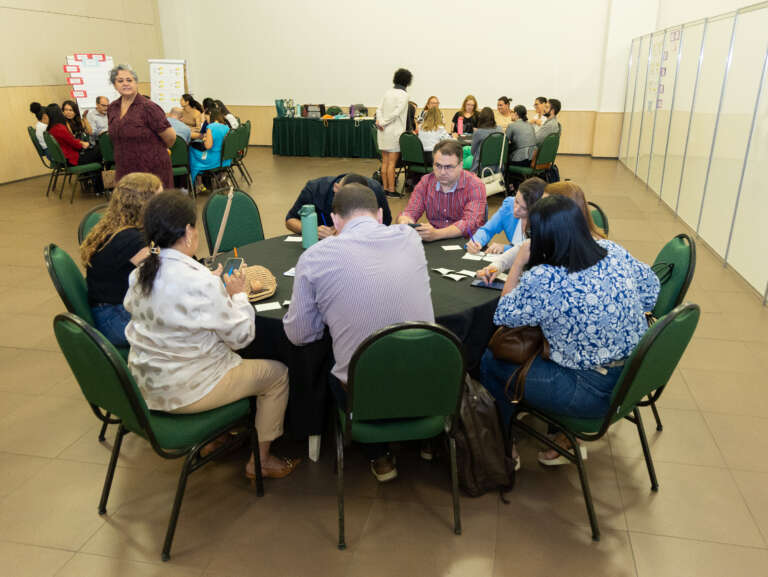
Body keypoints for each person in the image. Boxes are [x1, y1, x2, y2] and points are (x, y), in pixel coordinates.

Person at [124, 191, 298, 479]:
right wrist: (238, 296)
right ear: (189, 232)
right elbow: (242, 337)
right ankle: (261, 460)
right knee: (277, 374)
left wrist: (216, 289)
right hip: (186, 389)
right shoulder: (199, 282)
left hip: (145, 383)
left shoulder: (141, 273)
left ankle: (219, 437)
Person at [480, 195, 660, 466]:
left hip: (592, 392)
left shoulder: (547, 278)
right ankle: (561, 437)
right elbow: (651, 292)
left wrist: (518, 263)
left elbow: (503, 316)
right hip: (632, 379)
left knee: (492, 362)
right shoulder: (613, 250)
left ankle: (503, 449)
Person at [283, 183, 434, 481]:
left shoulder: (314, 258)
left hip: (364, 393)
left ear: (334, 220)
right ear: (379, 215)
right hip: (428, 382)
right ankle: (426, 440)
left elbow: (299, 336)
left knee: (334, 359)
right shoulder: (410, 239)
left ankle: (377, 453)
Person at [81, 173, 162, 346]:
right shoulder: (131, 240)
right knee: (184, 326)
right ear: (143, 205)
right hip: (114, 320)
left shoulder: (118, 226)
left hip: (108, 309)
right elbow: (164, 275)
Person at [476, 179, 604, 281]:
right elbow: (525, 246)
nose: (540, 210)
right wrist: (496, 266)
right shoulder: (605, 247)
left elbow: (506, 308)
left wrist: (517, 265)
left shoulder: (547, 275)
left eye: (545, 207)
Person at [397, 139, 487, 241]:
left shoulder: (475, 185)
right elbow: (410, 212)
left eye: (449, 167)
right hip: (433, 241)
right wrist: (405, 221)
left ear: (461, 165)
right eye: (438, 166)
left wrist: (437, 234)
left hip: (467, 242)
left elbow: (470, 223)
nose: (442, 172)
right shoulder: (426, 182)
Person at [108, 65, 176, 189]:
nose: (125, 84)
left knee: (153, 206)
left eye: (129, 80)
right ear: (114, 85)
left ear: (136, 83)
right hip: (124, 168)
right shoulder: (112, 108)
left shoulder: (148, 107)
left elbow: (171, 138)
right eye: (120, 81)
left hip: (151, 170)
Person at [285, 173, 391, 238]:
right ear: (336, 188)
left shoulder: (375, 191)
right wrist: (312, 230)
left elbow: (384, 224)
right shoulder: (314, 189)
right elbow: (290, 220)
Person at [467, 177, 546, 255]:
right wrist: (477, 241)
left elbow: (536, 252)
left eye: (523, 208)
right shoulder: (509, 206)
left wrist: (506, 249)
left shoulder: (545, 220)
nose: (515, 209)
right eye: (517, 201)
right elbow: (487, 230)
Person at [46, 103, 103, 187]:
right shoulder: (60, 128)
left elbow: (72, 140)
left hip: (66, 159)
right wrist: (82, 143)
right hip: (73, 159)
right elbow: (77, 146)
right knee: (99, 151)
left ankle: (97, 186)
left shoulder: (52, 129)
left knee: (96, 153)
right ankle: (100, 186)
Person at [376, 68, 412, 198]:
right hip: (394, 132)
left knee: (385, 162)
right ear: (408, 81)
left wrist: (380, 122)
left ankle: (385, 188)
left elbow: (379, 108)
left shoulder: (387, 92)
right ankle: (391, 190)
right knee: (392, 163)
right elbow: (397, 113)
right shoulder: (404, 95)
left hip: (382, 131)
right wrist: (384, 122)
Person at [189, 105, 231, 187]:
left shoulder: (211, 127)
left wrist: (205, 140)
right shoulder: (226, 127)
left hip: (213, 159)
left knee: (191, 150)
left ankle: (198, 182)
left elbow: (208, 146)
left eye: (206, 117)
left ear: (210, 115)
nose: (206, 120)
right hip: (225, 159)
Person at [470, 107, 503, 173]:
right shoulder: (500, 129)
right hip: (498, 167)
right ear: (493, 117)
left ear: (481, 118)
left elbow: (473, 152)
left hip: (482, 168)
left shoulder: (478, 132)